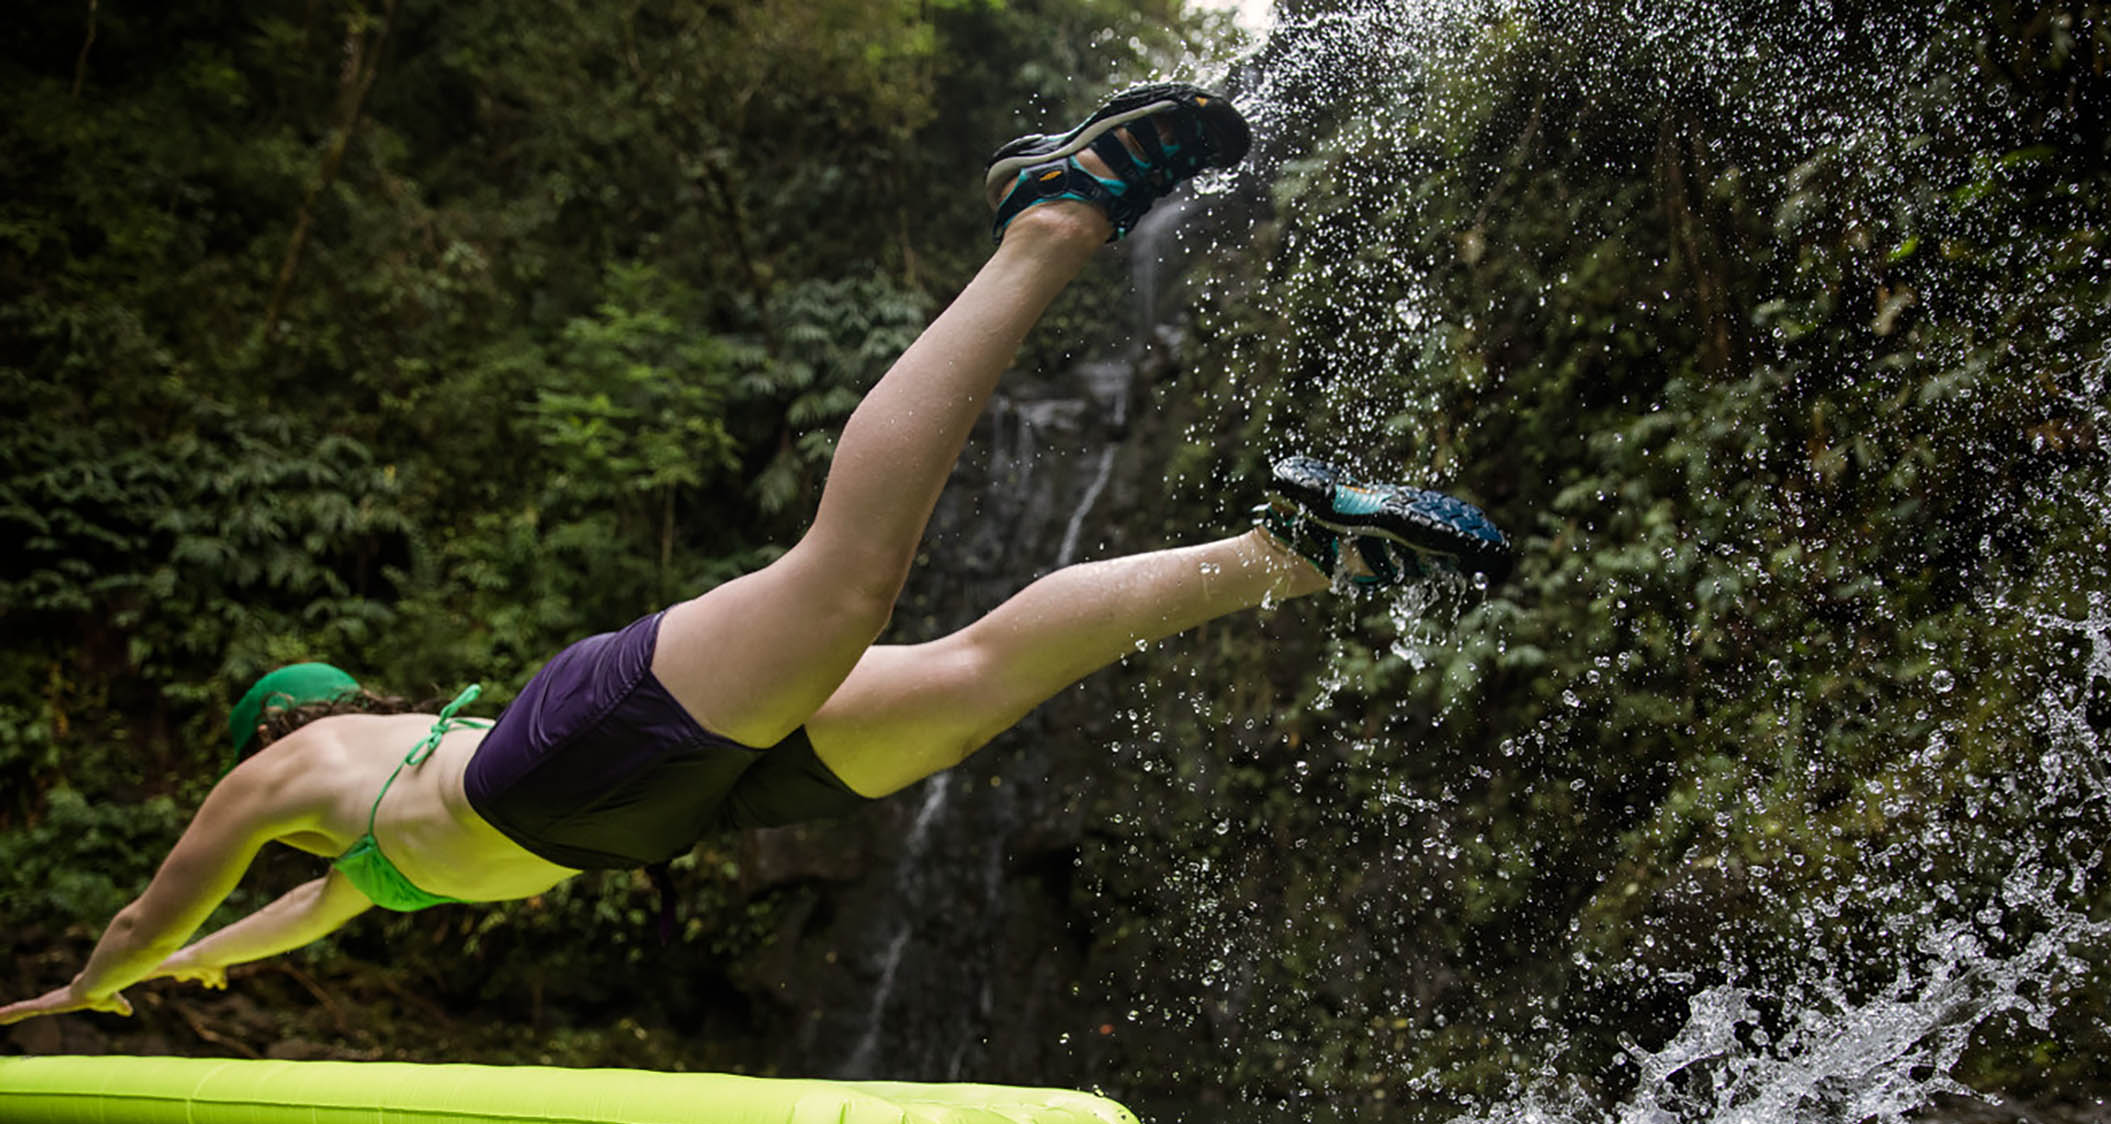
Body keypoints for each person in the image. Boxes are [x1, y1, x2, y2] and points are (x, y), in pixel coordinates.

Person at [2, 84, 1513, 1030]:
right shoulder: (355, 850)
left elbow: (165, 907)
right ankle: (1292, 553)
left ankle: (1047, 218)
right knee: (977, 677)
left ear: (282, 723)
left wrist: (94, 978)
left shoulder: (299, 773)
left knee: (850, 576)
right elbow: (254, 927)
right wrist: (189, 973)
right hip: (650, 807)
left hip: (578, 763)